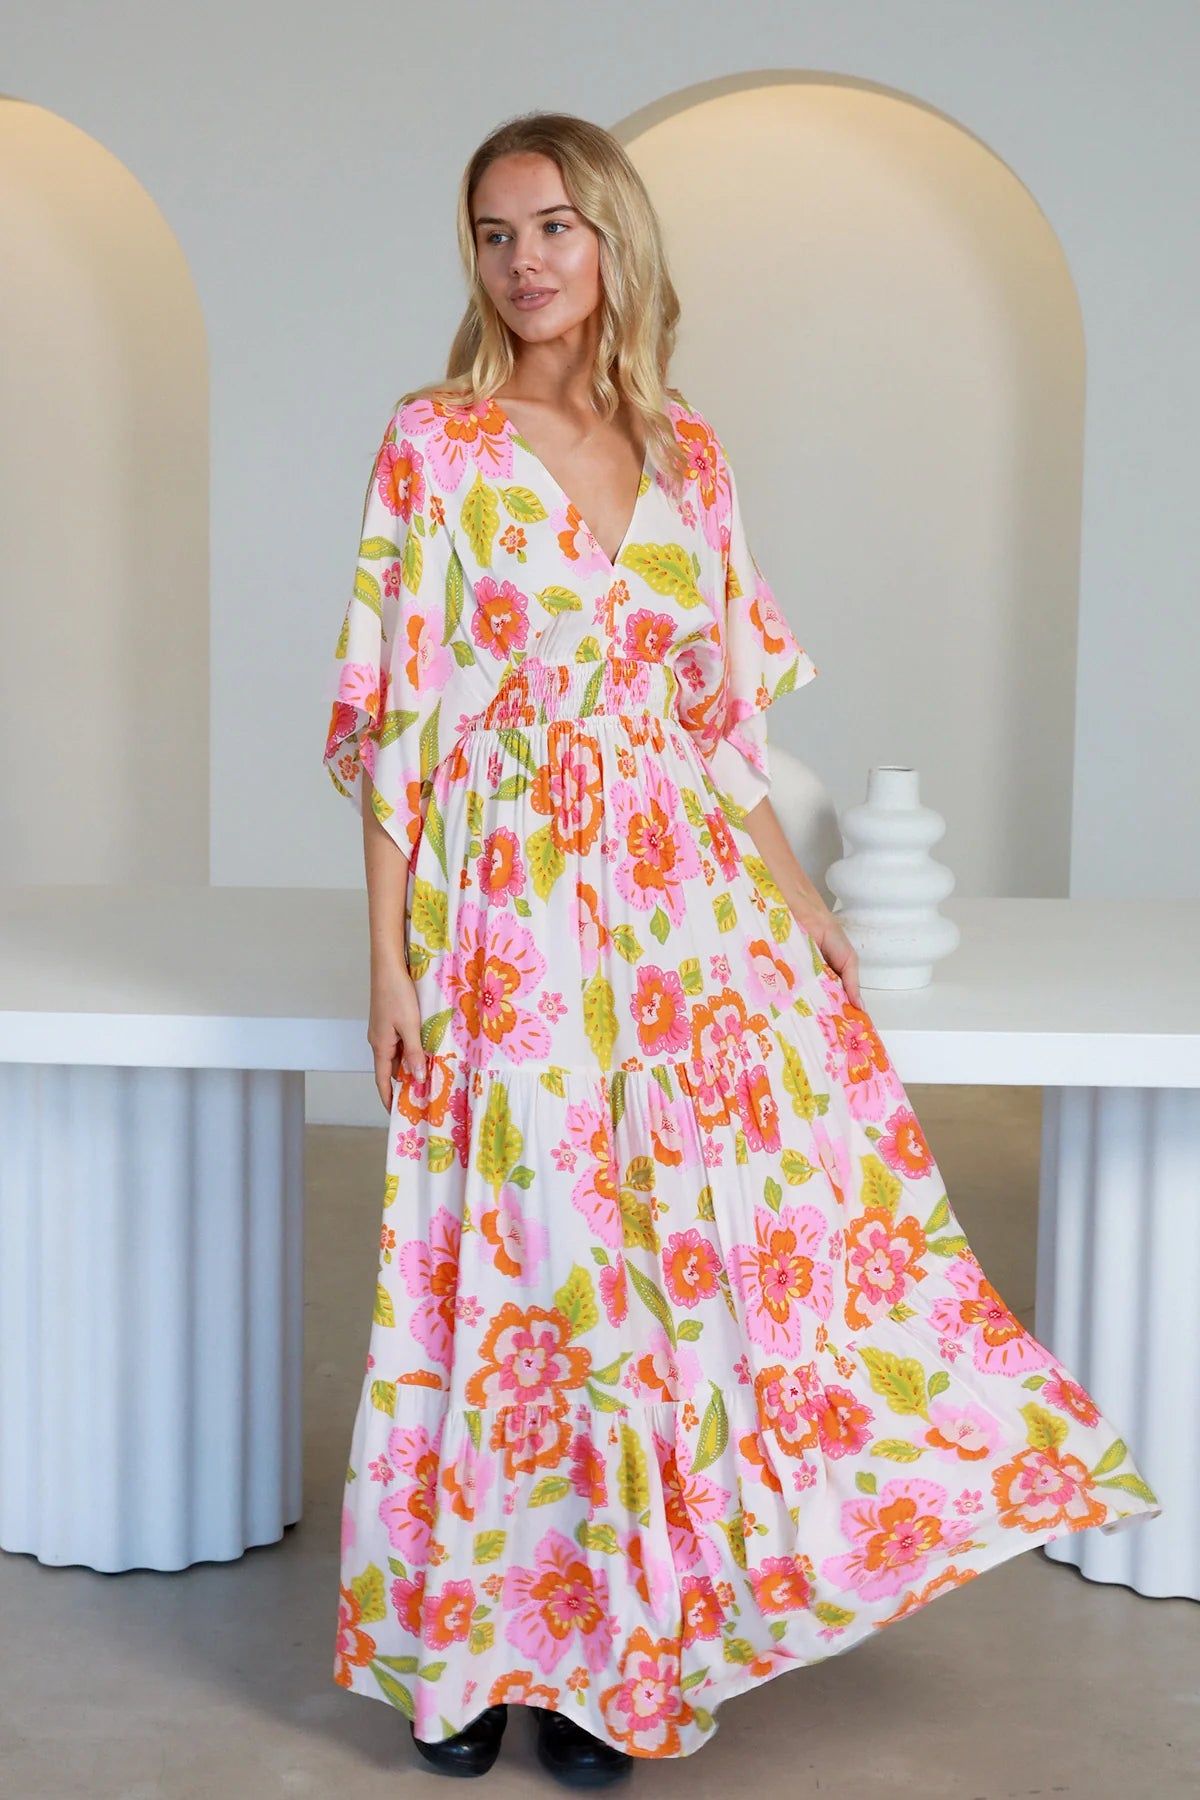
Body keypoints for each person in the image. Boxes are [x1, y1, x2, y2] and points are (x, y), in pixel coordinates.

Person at [323, 110, 1161, 1785]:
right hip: (511, 918)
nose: (524, 261)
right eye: (493, 233)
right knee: (520, 1266)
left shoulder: (688, 453)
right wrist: (393, 963)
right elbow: (396, 724)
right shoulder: (437, 444)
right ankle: (475, 1646)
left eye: (553, 225)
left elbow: (717, 727)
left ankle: (608, 1664)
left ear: (614, 236)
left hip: (686, 918)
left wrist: (804, 906)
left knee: (664, 1274)